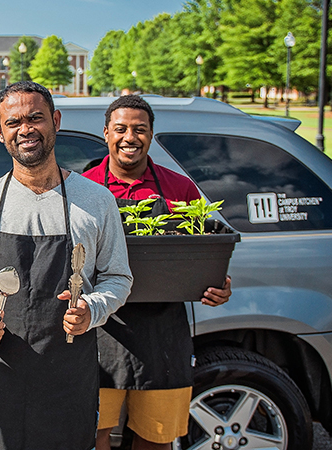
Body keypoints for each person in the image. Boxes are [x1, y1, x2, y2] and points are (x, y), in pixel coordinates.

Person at [0, 81, 133, 450]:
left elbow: (118, 277)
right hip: (3, 370)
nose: (26, 129)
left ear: (55, 120)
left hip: (69, 373)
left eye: (36, 118)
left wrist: (91, 309)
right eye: (14, 121)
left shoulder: (96, 200)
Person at [82, 95, 232, 450]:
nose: (129, 137)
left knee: (157, 438)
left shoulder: (179, 188)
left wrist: (217, 285)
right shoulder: (84, 187)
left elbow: (204, 249)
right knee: (90, 434)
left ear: (151, 135)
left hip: (163, 331)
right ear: (106, 133)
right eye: (120, 129)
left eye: (139, 129)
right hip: (100, 327)